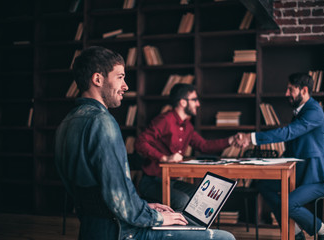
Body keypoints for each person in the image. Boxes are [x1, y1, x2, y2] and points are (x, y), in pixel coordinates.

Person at [54, 46, 235, 240]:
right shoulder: (102, 122)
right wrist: (156, 217)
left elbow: (103, 196)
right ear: (98, 79)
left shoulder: (66, 123)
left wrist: (142, 206)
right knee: (224, 237)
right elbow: (118, 199)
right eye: (120, 77)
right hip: (121, 231)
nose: (126, 86)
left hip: (94, 228)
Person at [234, 73, 324, 240]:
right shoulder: (300, 112)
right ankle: (294, 233)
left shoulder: (314, 111)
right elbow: (293, 147)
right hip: (300, 174)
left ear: (304, 90)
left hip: (319, 179)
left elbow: (287, 133)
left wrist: (250, 138)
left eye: (290, 89)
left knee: (288, 203)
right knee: (264, 185)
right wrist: (265, 163)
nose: (286, 93)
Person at [135, 83, 237, 211]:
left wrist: (230, 140)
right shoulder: (165, 120)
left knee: (202, 195)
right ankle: (175, 230)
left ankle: (196, 231)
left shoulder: (187, 126)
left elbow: (204, 146)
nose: (198, 104)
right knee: (183, 200)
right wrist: (164, 158)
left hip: (171, 181)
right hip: (152, 181)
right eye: (194, 100)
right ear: (183, 102)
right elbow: (140, 142)